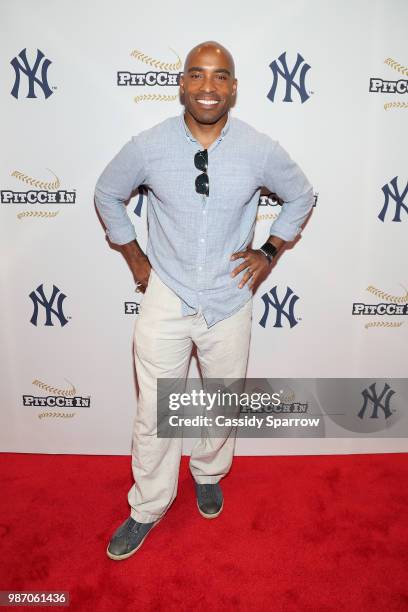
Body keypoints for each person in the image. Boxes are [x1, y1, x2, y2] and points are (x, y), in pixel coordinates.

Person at [94, 40, 314, 561]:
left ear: (234, 87)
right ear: (182, 85)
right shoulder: (148, 145)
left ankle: (208, 473)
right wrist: (137, 261)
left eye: (220, 77)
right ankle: (148, 506)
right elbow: (107, 193)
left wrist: (269, 251)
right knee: (155, 409)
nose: (208, 87)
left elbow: (302, 195)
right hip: (166, 295)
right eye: (197, 75)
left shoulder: (260, 148)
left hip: (230, 297)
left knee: (220, 399)